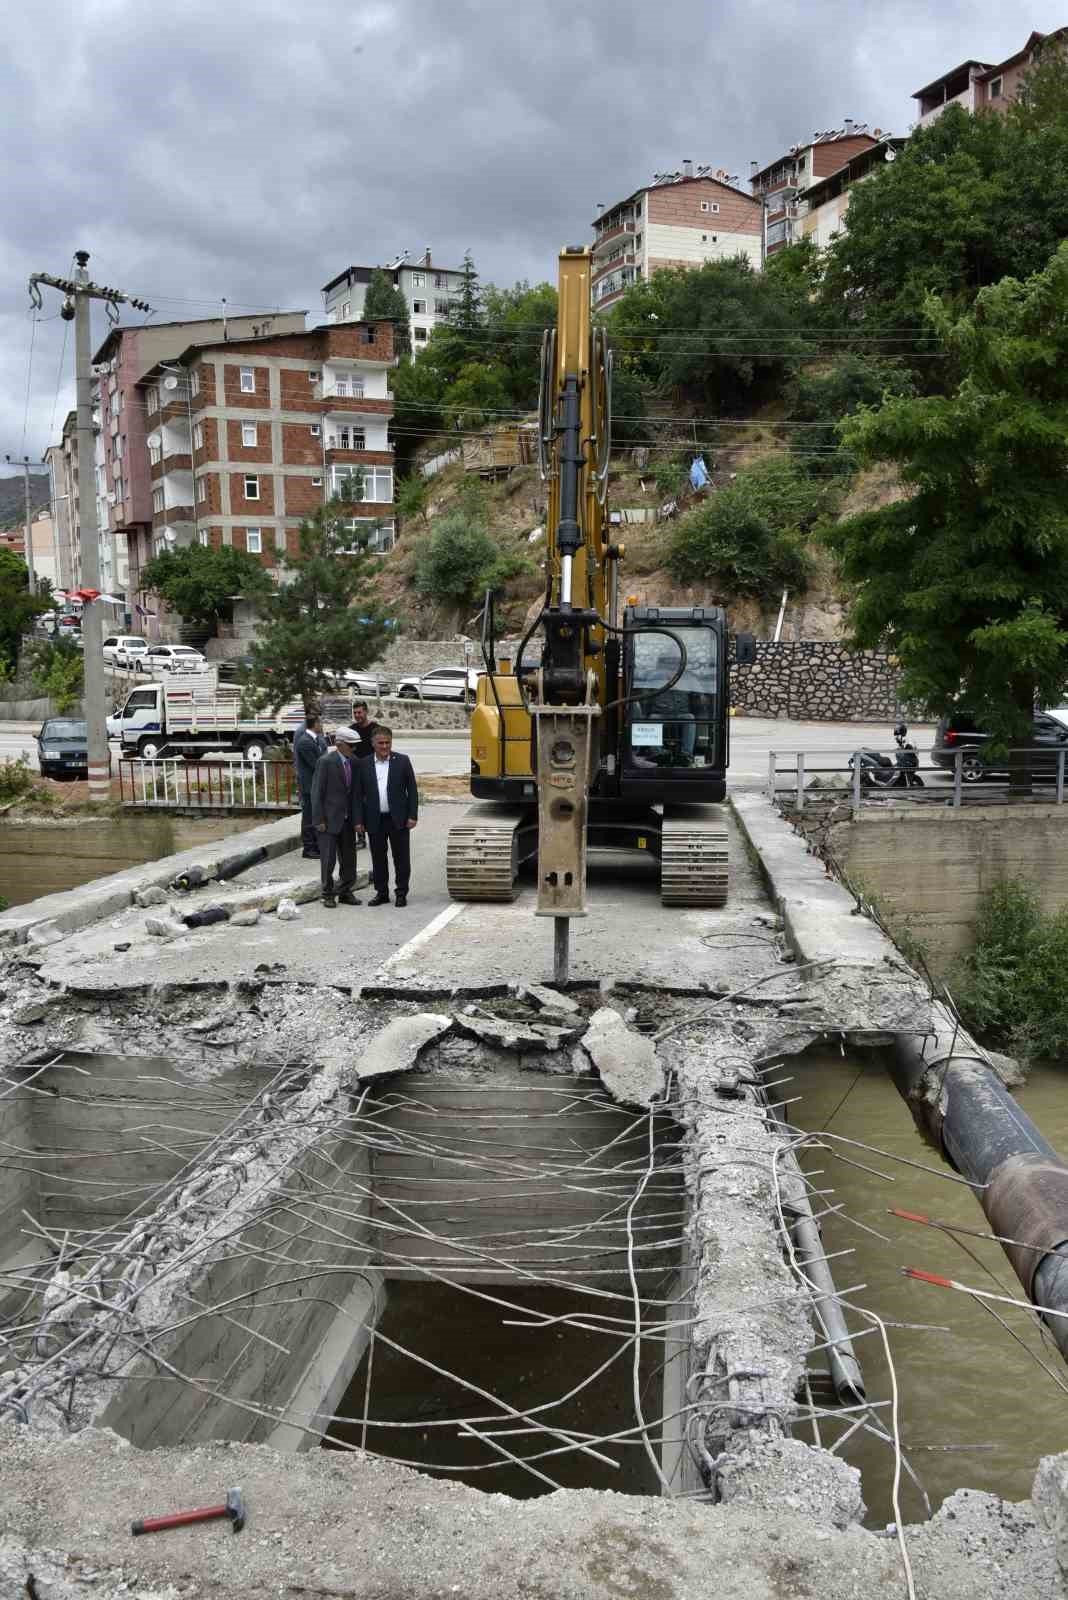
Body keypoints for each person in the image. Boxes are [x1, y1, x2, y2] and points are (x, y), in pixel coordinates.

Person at [356, 726, 418, 907]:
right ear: (373, 744)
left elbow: (412, 790)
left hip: (398, 819)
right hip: (374, 819)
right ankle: (381, 893)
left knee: (401, 858)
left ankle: (401, 893)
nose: (384, 746)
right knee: (378, 858)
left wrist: (412, 815)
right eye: (381, 743)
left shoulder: (403, 761)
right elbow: (358, 795)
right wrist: (358, 820)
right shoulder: (364, 763)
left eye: (388, 743)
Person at [311, 726, 362, 909]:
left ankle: (345, 891)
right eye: (351, 745)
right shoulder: (325, 762)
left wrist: (358, 820)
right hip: (328, 820)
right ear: (339, 744)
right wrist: (319, 820)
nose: (354, 749)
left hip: (348, 821)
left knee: (349, 859)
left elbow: (355, 794)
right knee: (328, 860)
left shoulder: (354, 762)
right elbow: (317, 792)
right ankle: (327, 894)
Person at [293, 711, 327, 858]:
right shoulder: (305, 742)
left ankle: (316, 846)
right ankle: (308, 848)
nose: (322, 726)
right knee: (308, 817)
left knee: (315, 815)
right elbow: (317, 764)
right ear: (316, 725)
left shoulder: (315, 740)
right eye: (321, 723)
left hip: (314, 785)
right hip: (308, 786)